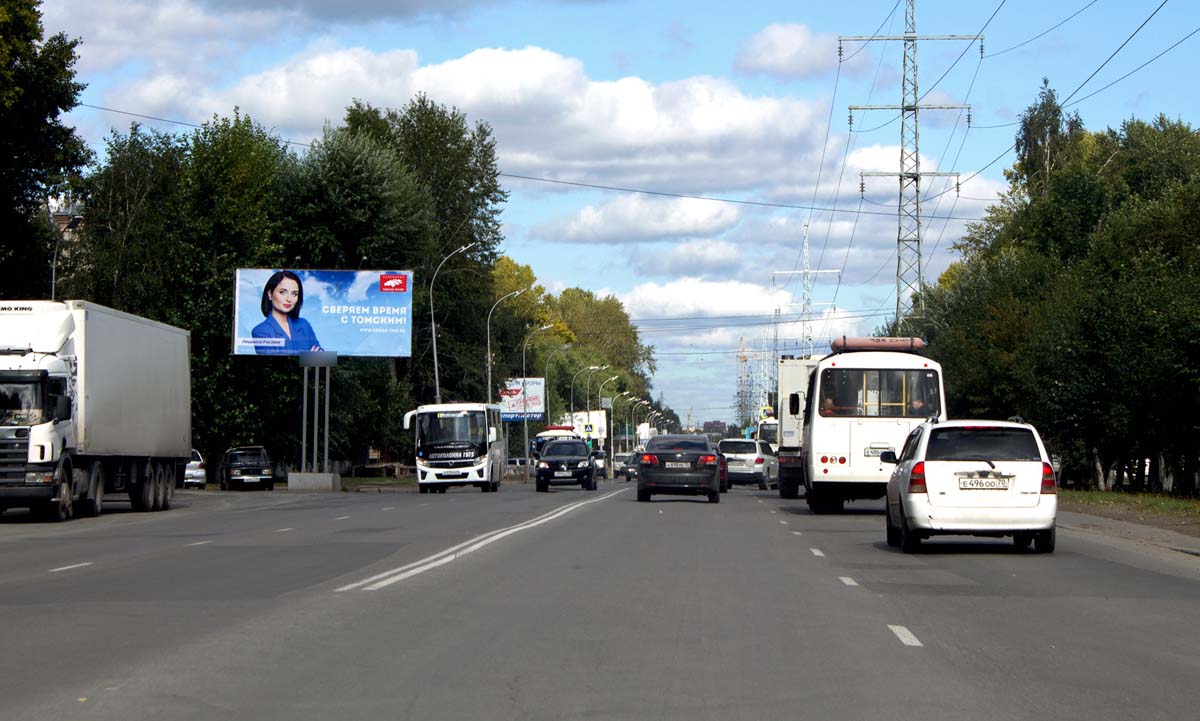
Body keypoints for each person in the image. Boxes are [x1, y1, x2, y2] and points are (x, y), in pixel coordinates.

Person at [251, 270, 322, 355]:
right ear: (270, 294)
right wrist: (308, 358)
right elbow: (274, 366)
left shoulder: (304, 324)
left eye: (294, 294)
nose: (289, 299)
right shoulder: (260, 331)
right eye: (283, 292)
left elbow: (324, 359)